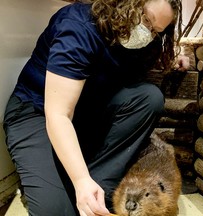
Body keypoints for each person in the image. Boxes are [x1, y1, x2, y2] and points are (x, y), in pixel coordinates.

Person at [3, 0, 189, 215]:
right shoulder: (78, 26)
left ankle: (98, 185)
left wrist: (175, 58)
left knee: (149, 97)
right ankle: (71, 184)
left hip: (87, 112)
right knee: (55, 211)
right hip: (38, 112)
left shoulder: (139, 39)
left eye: (155, 31)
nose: (147, 33)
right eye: (146, 20)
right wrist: (81, 181)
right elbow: (58, 114)